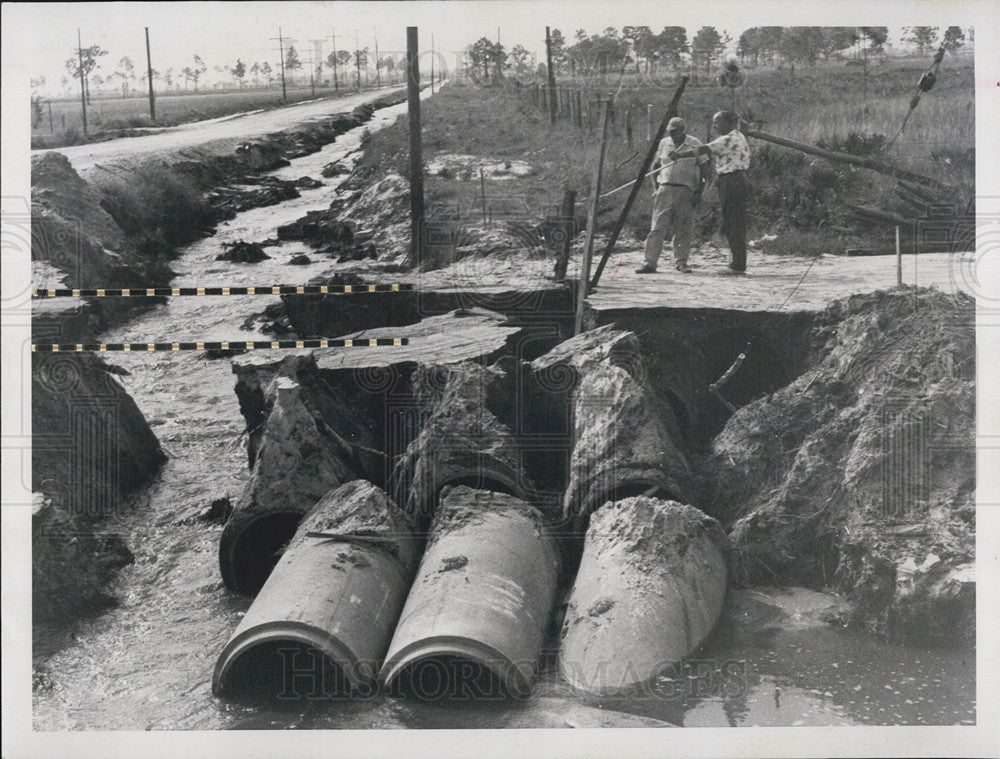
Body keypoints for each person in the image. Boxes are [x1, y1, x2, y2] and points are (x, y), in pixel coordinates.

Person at [669, 110, 751, 275]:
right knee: (734, 221)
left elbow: (704, 149)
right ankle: (737, 262)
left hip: (732, 181)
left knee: (733, 222)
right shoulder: (740, 136)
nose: (714, 126)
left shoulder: (728, 138)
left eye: (717, 122)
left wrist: (680, 155)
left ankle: (737, 265)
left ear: (728, 123)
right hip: (737, 180)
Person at [635, 116, 710, 275]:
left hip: (686, 190)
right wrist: (655, 188)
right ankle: (649, 263)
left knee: (683, 228)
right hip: (665, 189)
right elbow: (654, 167)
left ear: (683, 130)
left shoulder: (695, 143)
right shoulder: (664, 143)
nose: (672, 134)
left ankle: (681, 263)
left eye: (675, 131)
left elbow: (705, 171)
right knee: (657, 228)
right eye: (670, 131)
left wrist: (699, 192)